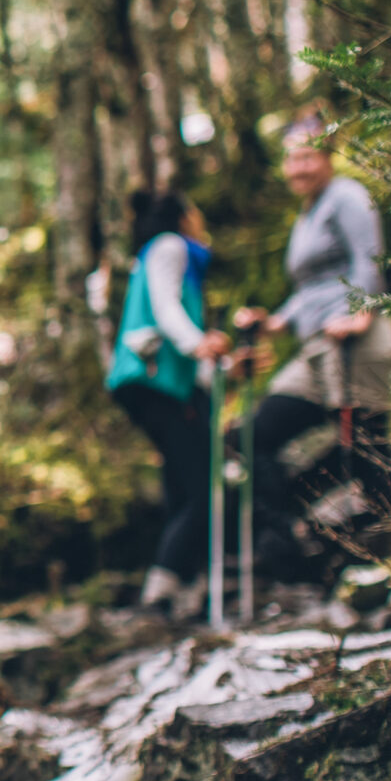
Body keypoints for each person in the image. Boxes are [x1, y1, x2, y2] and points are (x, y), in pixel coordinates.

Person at [232, 114, 391, 560]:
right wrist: (269, 322)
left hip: (353, 341)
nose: (298, 169)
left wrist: (360, 313)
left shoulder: (347, 197)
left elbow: (369, 258)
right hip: (314, 347)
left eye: (307, 157)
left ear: (327, 156)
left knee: (367, 445)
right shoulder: (307, 214)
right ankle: (286, 543)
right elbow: (307, 291)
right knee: (255, 433)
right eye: (291, 160)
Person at [106, 189, 232, 615]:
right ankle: (164, 585)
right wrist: (199, 344)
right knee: (202, 489)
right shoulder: (170, 247)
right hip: (158, 382)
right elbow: (166, 308)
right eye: (196, 209)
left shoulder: (153, 256)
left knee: (182, 483)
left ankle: (183, 587)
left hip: (152, 383)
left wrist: (219, 364)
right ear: (183, 217)